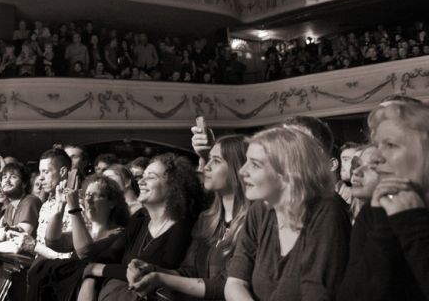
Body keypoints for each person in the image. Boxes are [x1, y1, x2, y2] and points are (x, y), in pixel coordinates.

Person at [225, 127, 350, 301]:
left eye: (255, 164)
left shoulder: (327, 212)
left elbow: (317, 294)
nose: (242, 171)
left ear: (288, 173)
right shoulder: (259, 210)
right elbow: (235, 283)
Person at [127, 135, 248, 300]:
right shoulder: (207, 219)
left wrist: (161, 278)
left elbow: (225, 286)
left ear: (238, 168)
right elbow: (190, 272)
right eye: (209, 160)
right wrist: (152, 270)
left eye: (216, 161)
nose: (206, 167)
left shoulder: (252, 222)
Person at [337, 97, 429, 301]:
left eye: (391, 145)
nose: (375, 157)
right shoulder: (373, 212)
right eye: (378, 145)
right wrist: (383, 227)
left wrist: (413, 224)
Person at [82, 153, 205, 301]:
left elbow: (145, 270)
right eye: (143, 176)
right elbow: (107, 256)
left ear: (174, 187)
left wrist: (98, 269)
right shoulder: (139, 220)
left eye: (151, 177)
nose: (141, 181)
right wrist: (89, 279)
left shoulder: (184, 226)